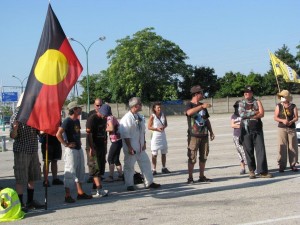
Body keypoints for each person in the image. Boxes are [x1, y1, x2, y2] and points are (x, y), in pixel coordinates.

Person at [9, 93, 44, 210]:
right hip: (22, 150)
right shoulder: (16, 116)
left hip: (33, 149)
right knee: (21, 177)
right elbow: (13, 136)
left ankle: (30, 201)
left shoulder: (33, 115)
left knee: (32, 176)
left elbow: (38, 132)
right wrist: (15, 128)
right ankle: (20, 203)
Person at [119, 97, 161, 191]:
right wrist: (129, 147)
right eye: (140, 104)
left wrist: (144, 142)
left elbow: (143, 131)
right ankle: (129, 184)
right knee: (129, 166)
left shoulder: (139, 116)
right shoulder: (126, 118)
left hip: (140, 147)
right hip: (132, 147)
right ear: (135, 106)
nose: (141, 105)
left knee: (146, 164)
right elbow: (125, 134)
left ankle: (149, 183)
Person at [56, 101, 93, 203]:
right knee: (70, 171)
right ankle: (67, 195)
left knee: (80, 171)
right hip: (71, 151)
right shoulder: (67, 121)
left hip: (78, 149)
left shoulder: (76, 121)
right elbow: (58, 134)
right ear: (74, 110)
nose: (80, 109)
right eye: (78, 108)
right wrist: (66, 144)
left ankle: (80, 192)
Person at [238, 85, 272, 179]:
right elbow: (242, 114)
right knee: (248, 151)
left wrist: (251, 115)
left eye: (248, 92)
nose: (246, 93)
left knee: (260, 150)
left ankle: (262, 171)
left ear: (252, 93)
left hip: (257, 129)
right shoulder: (241, 103)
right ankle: (251, 171)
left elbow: (262, 113)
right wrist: (254, 113)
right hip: (245, 130)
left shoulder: (257, 101)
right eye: (245, 92)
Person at [186, 85, 215, 184]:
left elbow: (206, 120)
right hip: (193, 136)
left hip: (204, 135)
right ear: (196, 94)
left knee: (204, 157)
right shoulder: (189, 104)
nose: (203, 94)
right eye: (201, 93)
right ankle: (190, 178)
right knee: (192, 157)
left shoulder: (203, 105)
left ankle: (201, 176)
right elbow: (189, 113)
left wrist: (211, 131)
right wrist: (201, 106)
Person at [85, 104, 109, 197]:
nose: (106, 116)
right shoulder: (92, 119)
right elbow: (89, 135)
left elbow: (104, 133)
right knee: (95, 168)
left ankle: (94, 189)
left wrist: (105, 146)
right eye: (105, 114)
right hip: (93, 147)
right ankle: (99, 189)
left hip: (101, 146)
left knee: (101, 167)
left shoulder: (104, 118)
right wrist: (91, 147)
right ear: (100, 111)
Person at [274, 90, 298, 172]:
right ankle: (282, 165)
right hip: (282, 128)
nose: (281, 98)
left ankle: (293, 164)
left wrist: (291, 121)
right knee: (282, 146)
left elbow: (296, 117)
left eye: (283, 96)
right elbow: (275, 117)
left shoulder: (293, 106)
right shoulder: (279, 106)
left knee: (293, 146)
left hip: (291, 128)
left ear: (287, 98)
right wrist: (283, 120)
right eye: (280, 96)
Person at [101, 104, 124, 182]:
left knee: (110, 158)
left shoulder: (109, 118)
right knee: (116, 158)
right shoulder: (112, 117)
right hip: (119, 140)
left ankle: (110, 176)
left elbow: (111, 128)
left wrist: (103, 128)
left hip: (116, 141)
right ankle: (121, 175)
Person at [147, 102, 170, 175]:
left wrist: (164, 127)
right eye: (158, 108)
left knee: (164, 152)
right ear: (154, 108)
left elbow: (166, 124)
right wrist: (157, 129)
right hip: (155, 136)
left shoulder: (163, 114)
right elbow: (149, 127)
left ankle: (164, 167)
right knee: (154, 154)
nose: (159, 109)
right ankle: (154, 169)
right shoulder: (152, 116)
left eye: (160, 107)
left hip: (163, 135)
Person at [86, 98, 103, 183]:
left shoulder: (104, 114)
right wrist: (90, 146)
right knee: (92, 161)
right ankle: (91, 176)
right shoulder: (91, 115)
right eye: (97, 105)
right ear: (94, 105)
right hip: (92, 142)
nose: (99, 107)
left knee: (100, 161)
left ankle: (99, 176)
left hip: (101, 142)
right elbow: (89, 132)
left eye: (100, 105)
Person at [231, 101, 247, 175]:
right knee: (240, 152)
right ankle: (243, 168)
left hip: (245, 135)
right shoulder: (233, 116)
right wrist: (240, 126)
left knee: (246, 151)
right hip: (236, 136)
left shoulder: (245, 114)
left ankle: (251, 166)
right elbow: (232, 125)